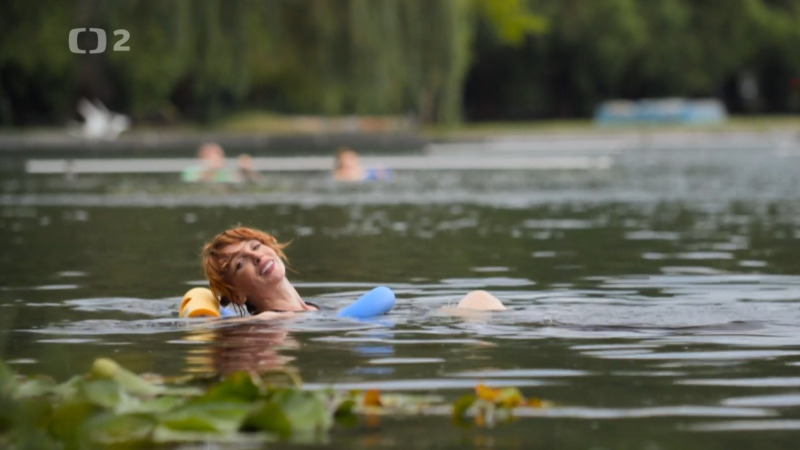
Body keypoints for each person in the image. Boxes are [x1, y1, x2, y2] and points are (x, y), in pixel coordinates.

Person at [201, 226, 505, 319]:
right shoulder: (267, 321)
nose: (256, 257)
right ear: (237, 292)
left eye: (255, 246)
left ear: (271, 248)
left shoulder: (314, 308)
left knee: (480, 299)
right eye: (240, 264)